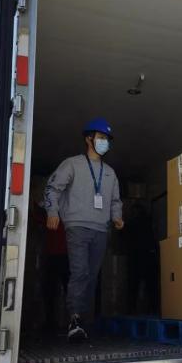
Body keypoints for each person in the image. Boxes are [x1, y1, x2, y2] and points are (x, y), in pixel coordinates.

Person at [44, 118, 124, 343]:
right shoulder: (72, 164)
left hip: (101, 230)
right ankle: (75, 319)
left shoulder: (110, 172)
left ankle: (84, 320)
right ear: (88, 139)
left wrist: (117, 217)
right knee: (80, 272)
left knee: (92, 275)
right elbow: (52, 189)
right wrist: (52, 211)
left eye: (107, 139)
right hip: (77, 227)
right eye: (101, 137)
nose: (104, 142)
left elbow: (115, 200)